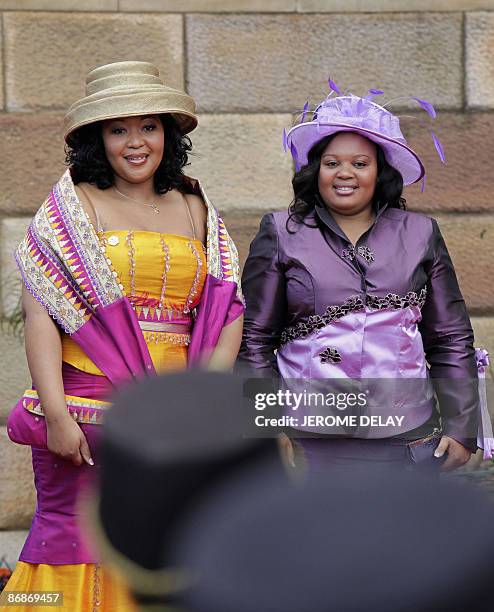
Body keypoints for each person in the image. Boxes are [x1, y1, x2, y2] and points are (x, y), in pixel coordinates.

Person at [5, 60, 243, 611]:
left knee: (172, 537)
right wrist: (58, 415)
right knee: (72, 536)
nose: (136, 143)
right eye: (119, 130)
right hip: (87, 409)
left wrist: (203, 400)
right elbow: (41, 311)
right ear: (97, 140)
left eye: (148, 127)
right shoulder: (73, 206)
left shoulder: (196, 205)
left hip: (175, 417)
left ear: (168, 134)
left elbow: (227, 308)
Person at [238, 84, 488, 474]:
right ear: (316, 169)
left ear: (380, 172)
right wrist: (267, 428)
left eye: (360, 163)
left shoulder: (420, 233)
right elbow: (253, 340)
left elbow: (450, 336)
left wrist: (461, 425)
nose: (345, 174)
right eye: (332, 162)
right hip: (310, 439)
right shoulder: (282, 233)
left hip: (409, 438)